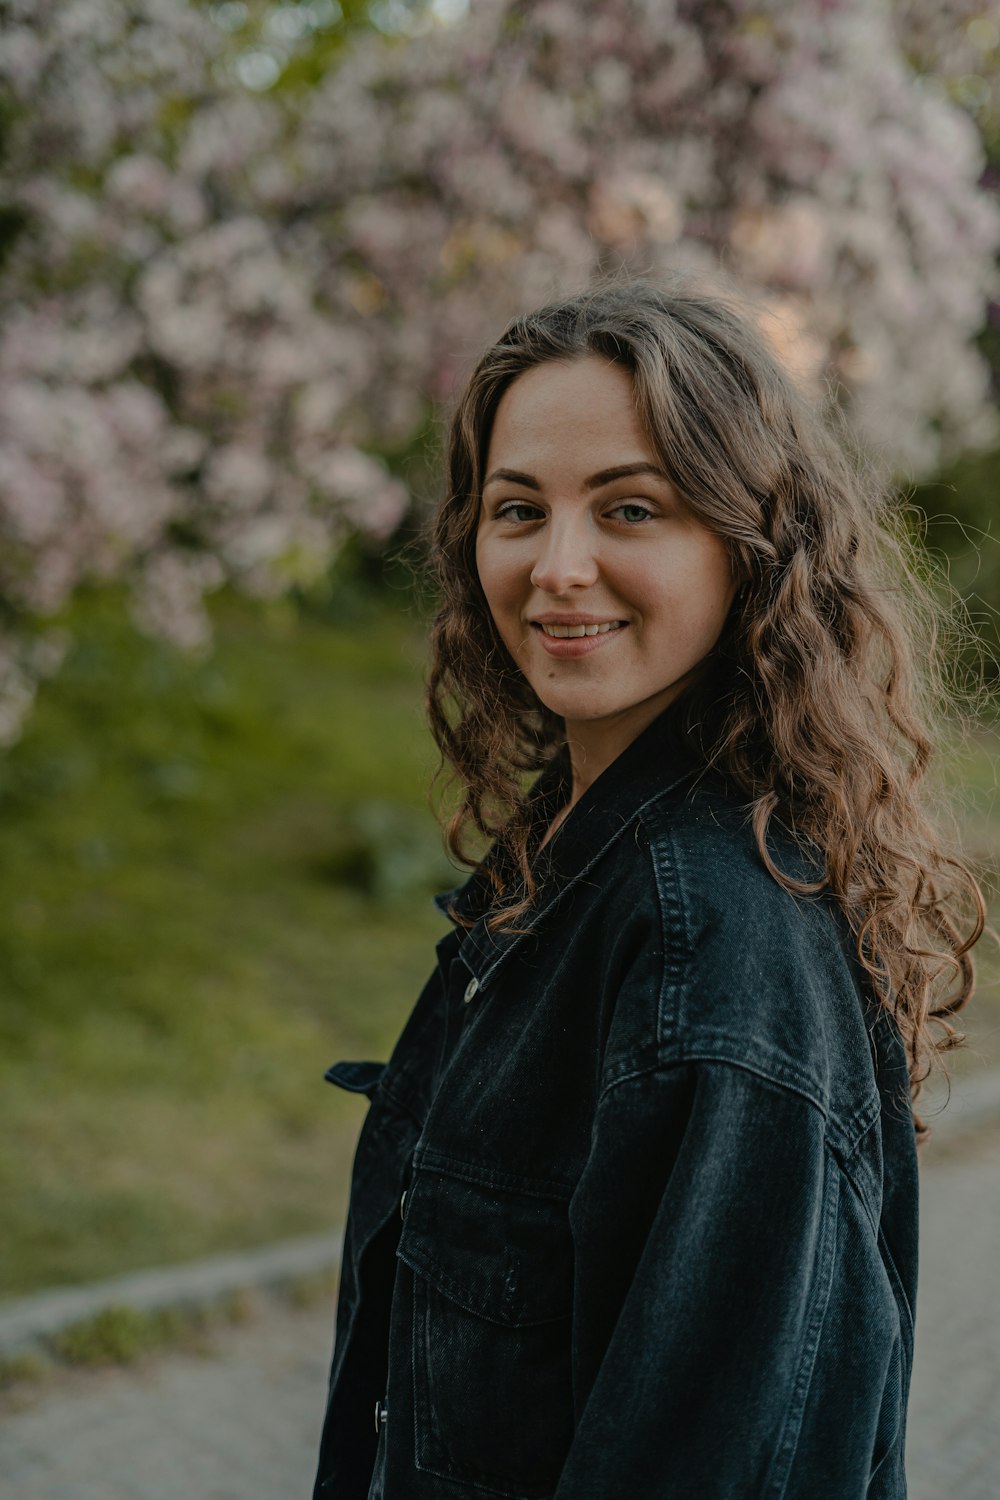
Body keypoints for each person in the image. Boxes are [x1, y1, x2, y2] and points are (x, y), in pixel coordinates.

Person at [312, 278, 984, 1499]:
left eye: (630, 508)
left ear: (750, 545)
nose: (559, 568)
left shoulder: (714, 945)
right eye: (519, 509)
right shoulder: (566, 871)